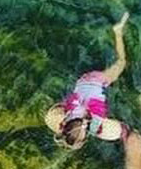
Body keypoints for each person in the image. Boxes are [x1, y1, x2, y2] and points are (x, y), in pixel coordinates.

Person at [45, 12, 132, 148]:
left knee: (122, 62)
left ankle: (118, 31)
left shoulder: (96, 117)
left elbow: (122, 129)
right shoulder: (68, 115)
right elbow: (60, 109)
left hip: (98, 80)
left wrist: (125, 134)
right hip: (82, 81)